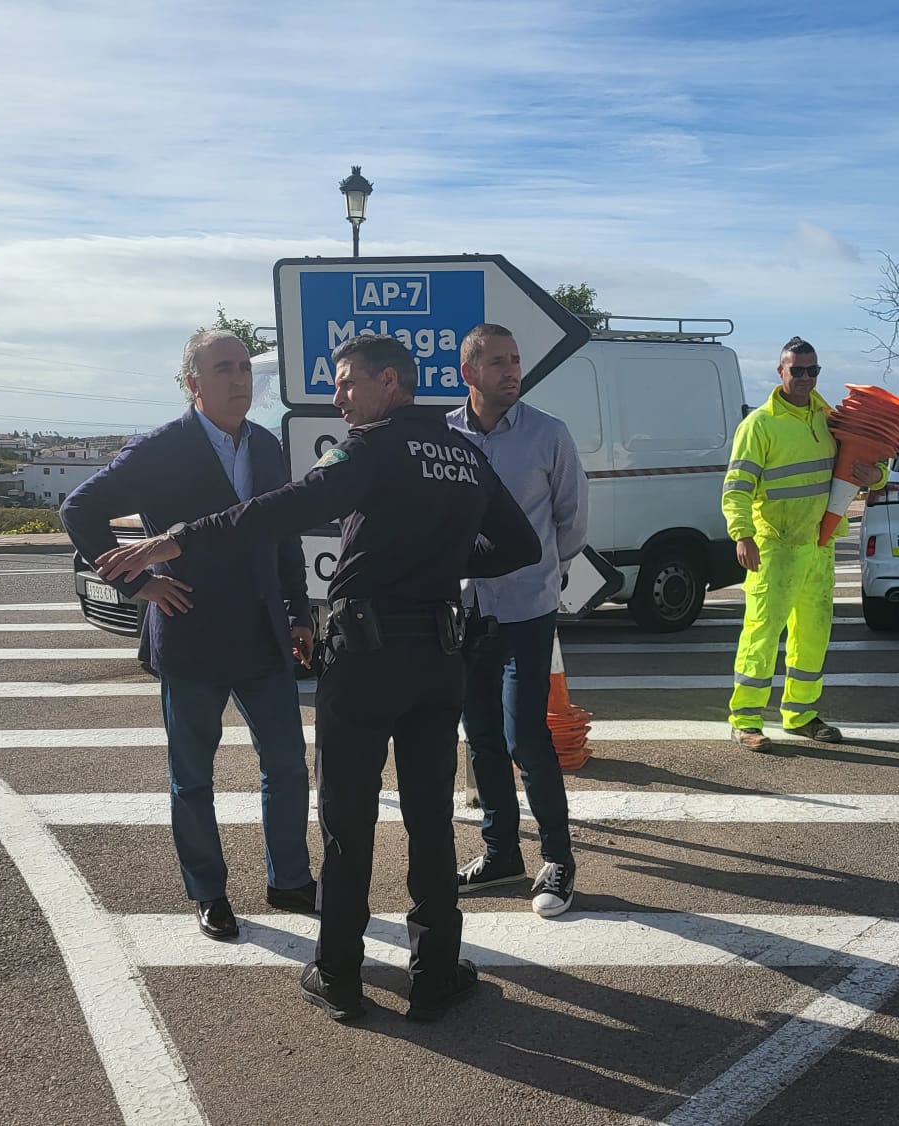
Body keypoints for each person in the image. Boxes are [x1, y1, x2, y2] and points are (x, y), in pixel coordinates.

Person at [94, 333, 539, 1025]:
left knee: (346, 823)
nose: (336, 396)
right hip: (438, 657)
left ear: (388, 382)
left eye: (345, 382)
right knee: (430, 818)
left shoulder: (368, 448)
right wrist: (441, 559)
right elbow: (520, 545)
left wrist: (175, 539)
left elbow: (280, 510)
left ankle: (338, 975)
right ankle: (435, 975)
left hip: (366, 659)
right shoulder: (464, 453)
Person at [59, 330, 317, 942]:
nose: (239, 380)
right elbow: (78, 510)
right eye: (223, 369)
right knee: (192, 775)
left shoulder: (265, 446)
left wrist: (300, 610)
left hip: (263, 632)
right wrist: (137, 583)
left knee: (285, 763)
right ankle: (208, 892)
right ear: (192, 384)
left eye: (244, 370)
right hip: (190, 630)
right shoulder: (160, 449)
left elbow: (282, 532)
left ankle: (290, 879)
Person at [446, 323, 589, 918]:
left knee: (524, 736)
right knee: (478, 736)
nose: (512, 371)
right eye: (498, 362)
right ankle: (501, 850)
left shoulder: (548, 435)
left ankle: (558, 859)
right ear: (468, 372)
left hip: (527, 609)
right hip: (463, 612)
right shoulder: (442, 436)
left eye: (516, 361)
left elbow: (571, 522)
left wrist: (542, 570)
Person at [721, 338, 886, 751]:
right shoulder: (759, 425)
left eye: (813, 370)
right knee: (761, 634)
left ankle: (801, 714)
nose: (805, 378)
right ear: (780, 372)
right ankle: (745, 719)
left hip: (818, 545)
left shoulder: (830, 418)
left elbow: (869, 466)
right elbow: (737, 487)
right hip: (774, 547)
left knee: (812, 635)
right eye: (797, 370)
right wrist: (742, 534)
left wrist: (875, 477)